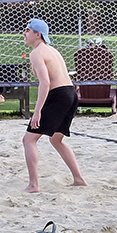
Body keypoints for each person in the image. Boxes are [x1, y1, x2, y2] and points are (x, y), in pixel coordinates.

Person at [22, 19, 87, 194]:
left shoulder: (37, 53)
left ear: (38, 34)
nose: (24, 33)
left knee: (29, 139)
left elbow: (45, 83)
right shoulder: (52, 50)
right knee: (56, 139)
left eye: (27, 30)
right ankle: (79, 179)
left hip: (59, 95)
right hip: (70, 94)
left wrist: (37, 112)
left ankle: (34, 185)